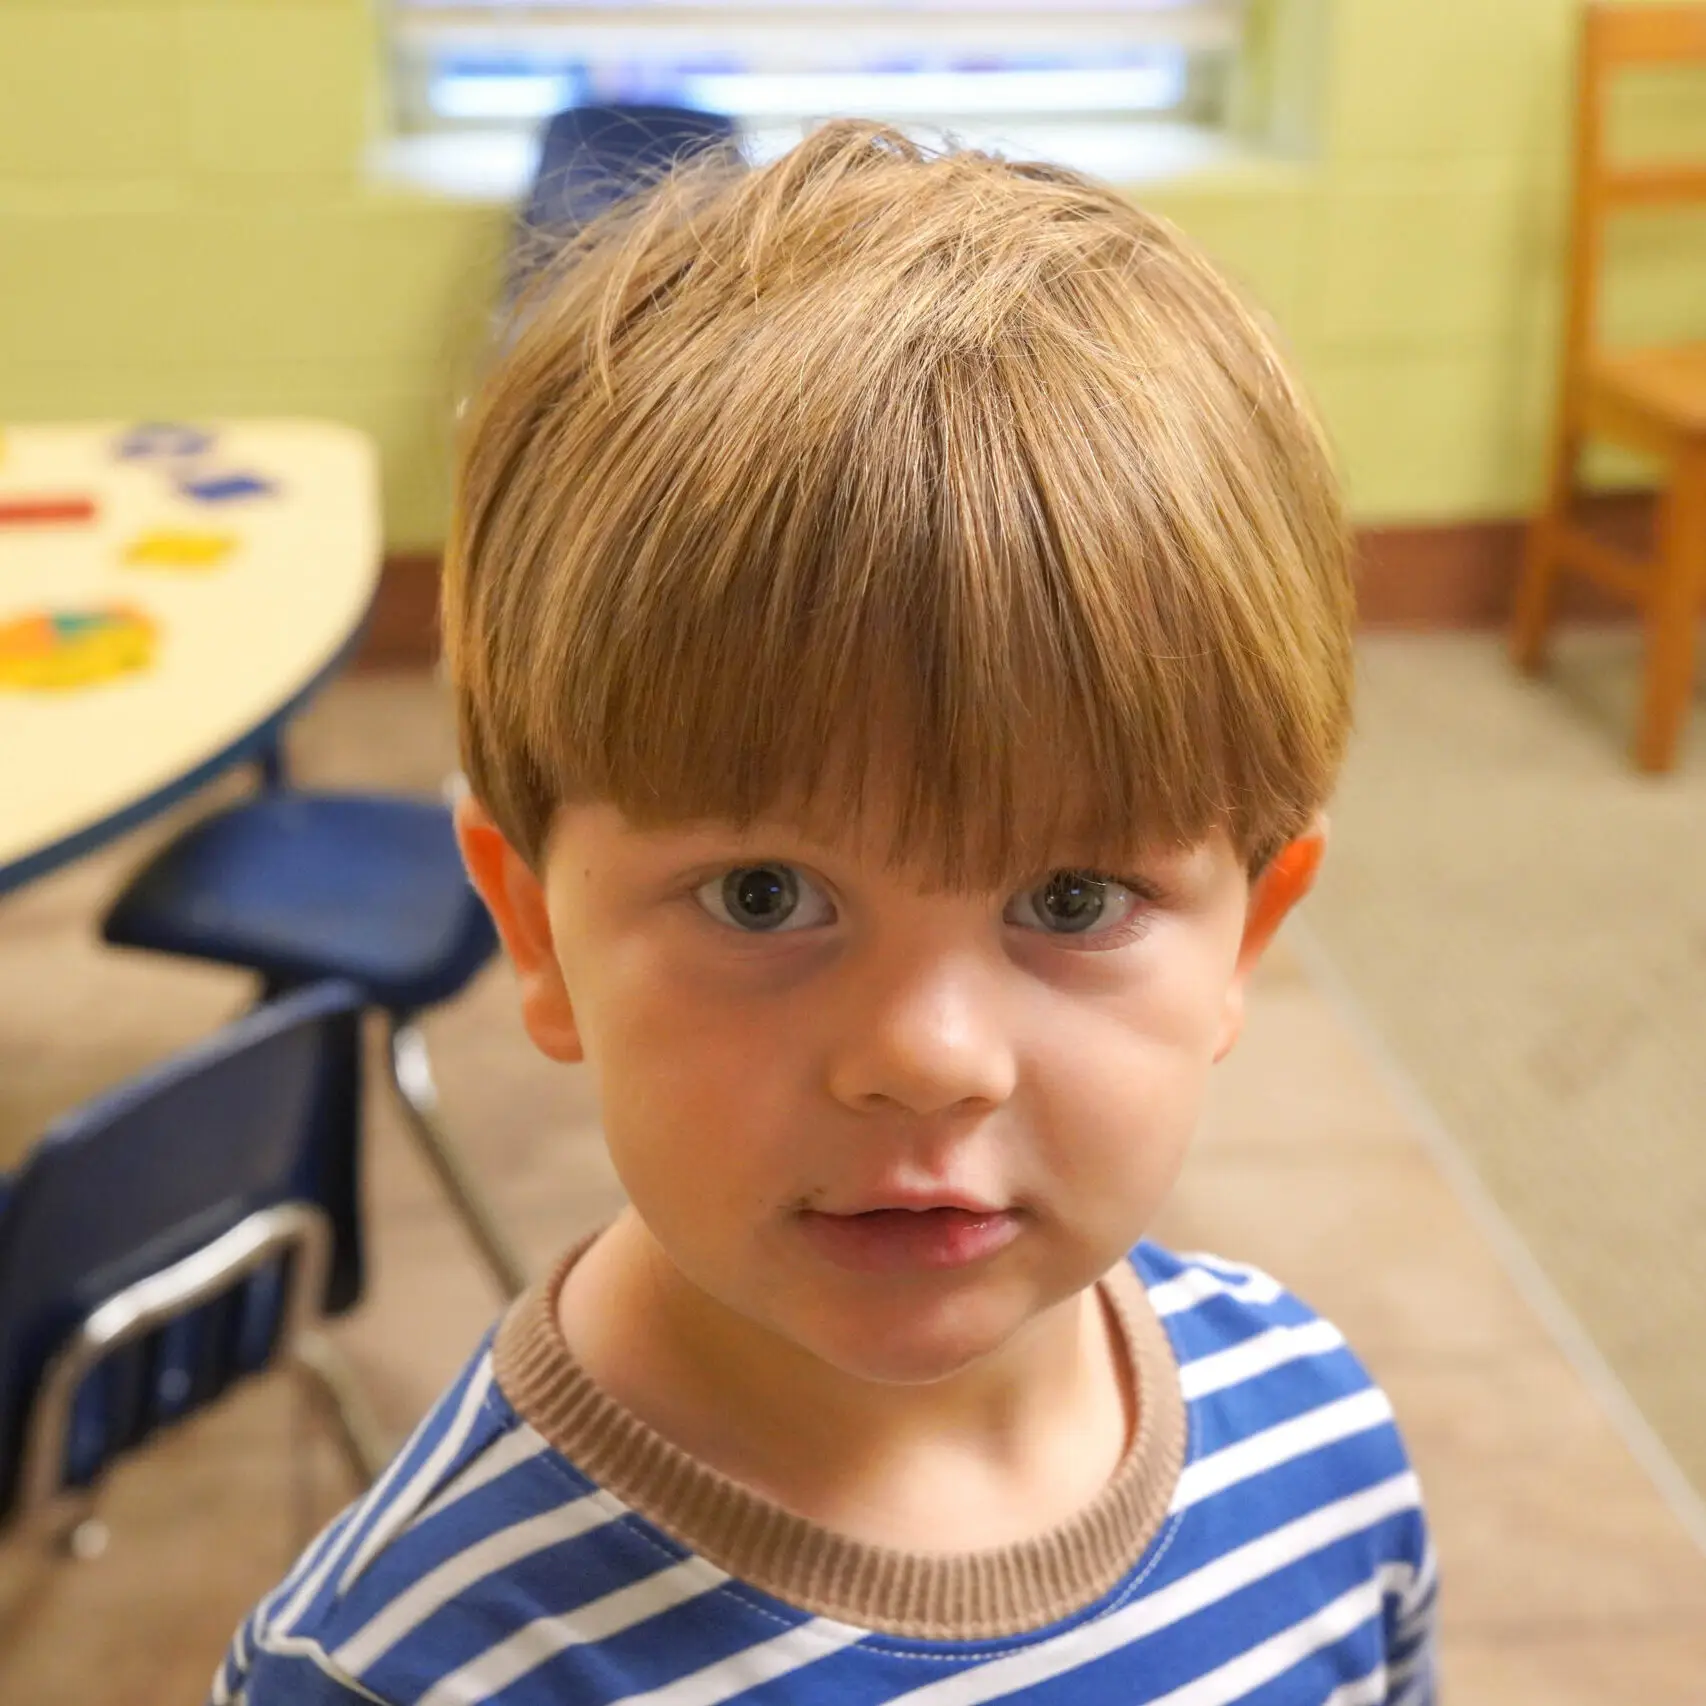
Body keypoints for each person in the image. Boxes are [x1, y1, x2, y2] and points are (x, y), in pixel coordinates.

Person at [213, 120, 1436, 1706]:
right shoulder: (394, 1667)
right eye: (762, 893)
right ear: (531, 926)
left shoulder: (1322, 1443)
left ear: (1247, 940)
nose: (925, 1059)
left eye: (1070, 896)